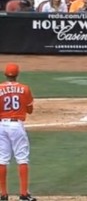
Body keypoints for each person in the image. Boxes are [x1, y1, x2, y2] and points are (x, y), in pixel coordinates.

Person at [0, 63, 37, 201]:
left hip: (1, 125)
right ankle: (23, 194)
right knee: (22, 158)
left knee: (2, 159)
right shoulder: (24, 88)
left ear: (5, 74)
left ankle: (3, 194)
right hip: (16, 126)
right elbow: (30, 110)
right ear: (17, 74)